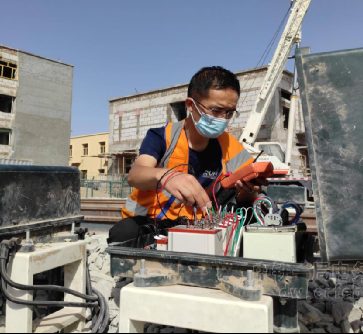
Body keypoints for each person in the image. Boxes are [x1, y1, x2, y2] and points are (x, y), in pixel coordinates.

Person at [109, 66, 268, 244]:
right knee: (124, 233)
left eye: (229, 112)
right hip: (151, 224)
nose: (223, 118)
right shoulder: (162, 137)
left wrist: (249, 191)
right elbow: (135, 174)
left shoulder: (231, 146)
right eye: (216, 111)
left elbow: (248, 199)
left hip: (198, 226)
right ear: (191, 105)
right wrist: (166, 176)